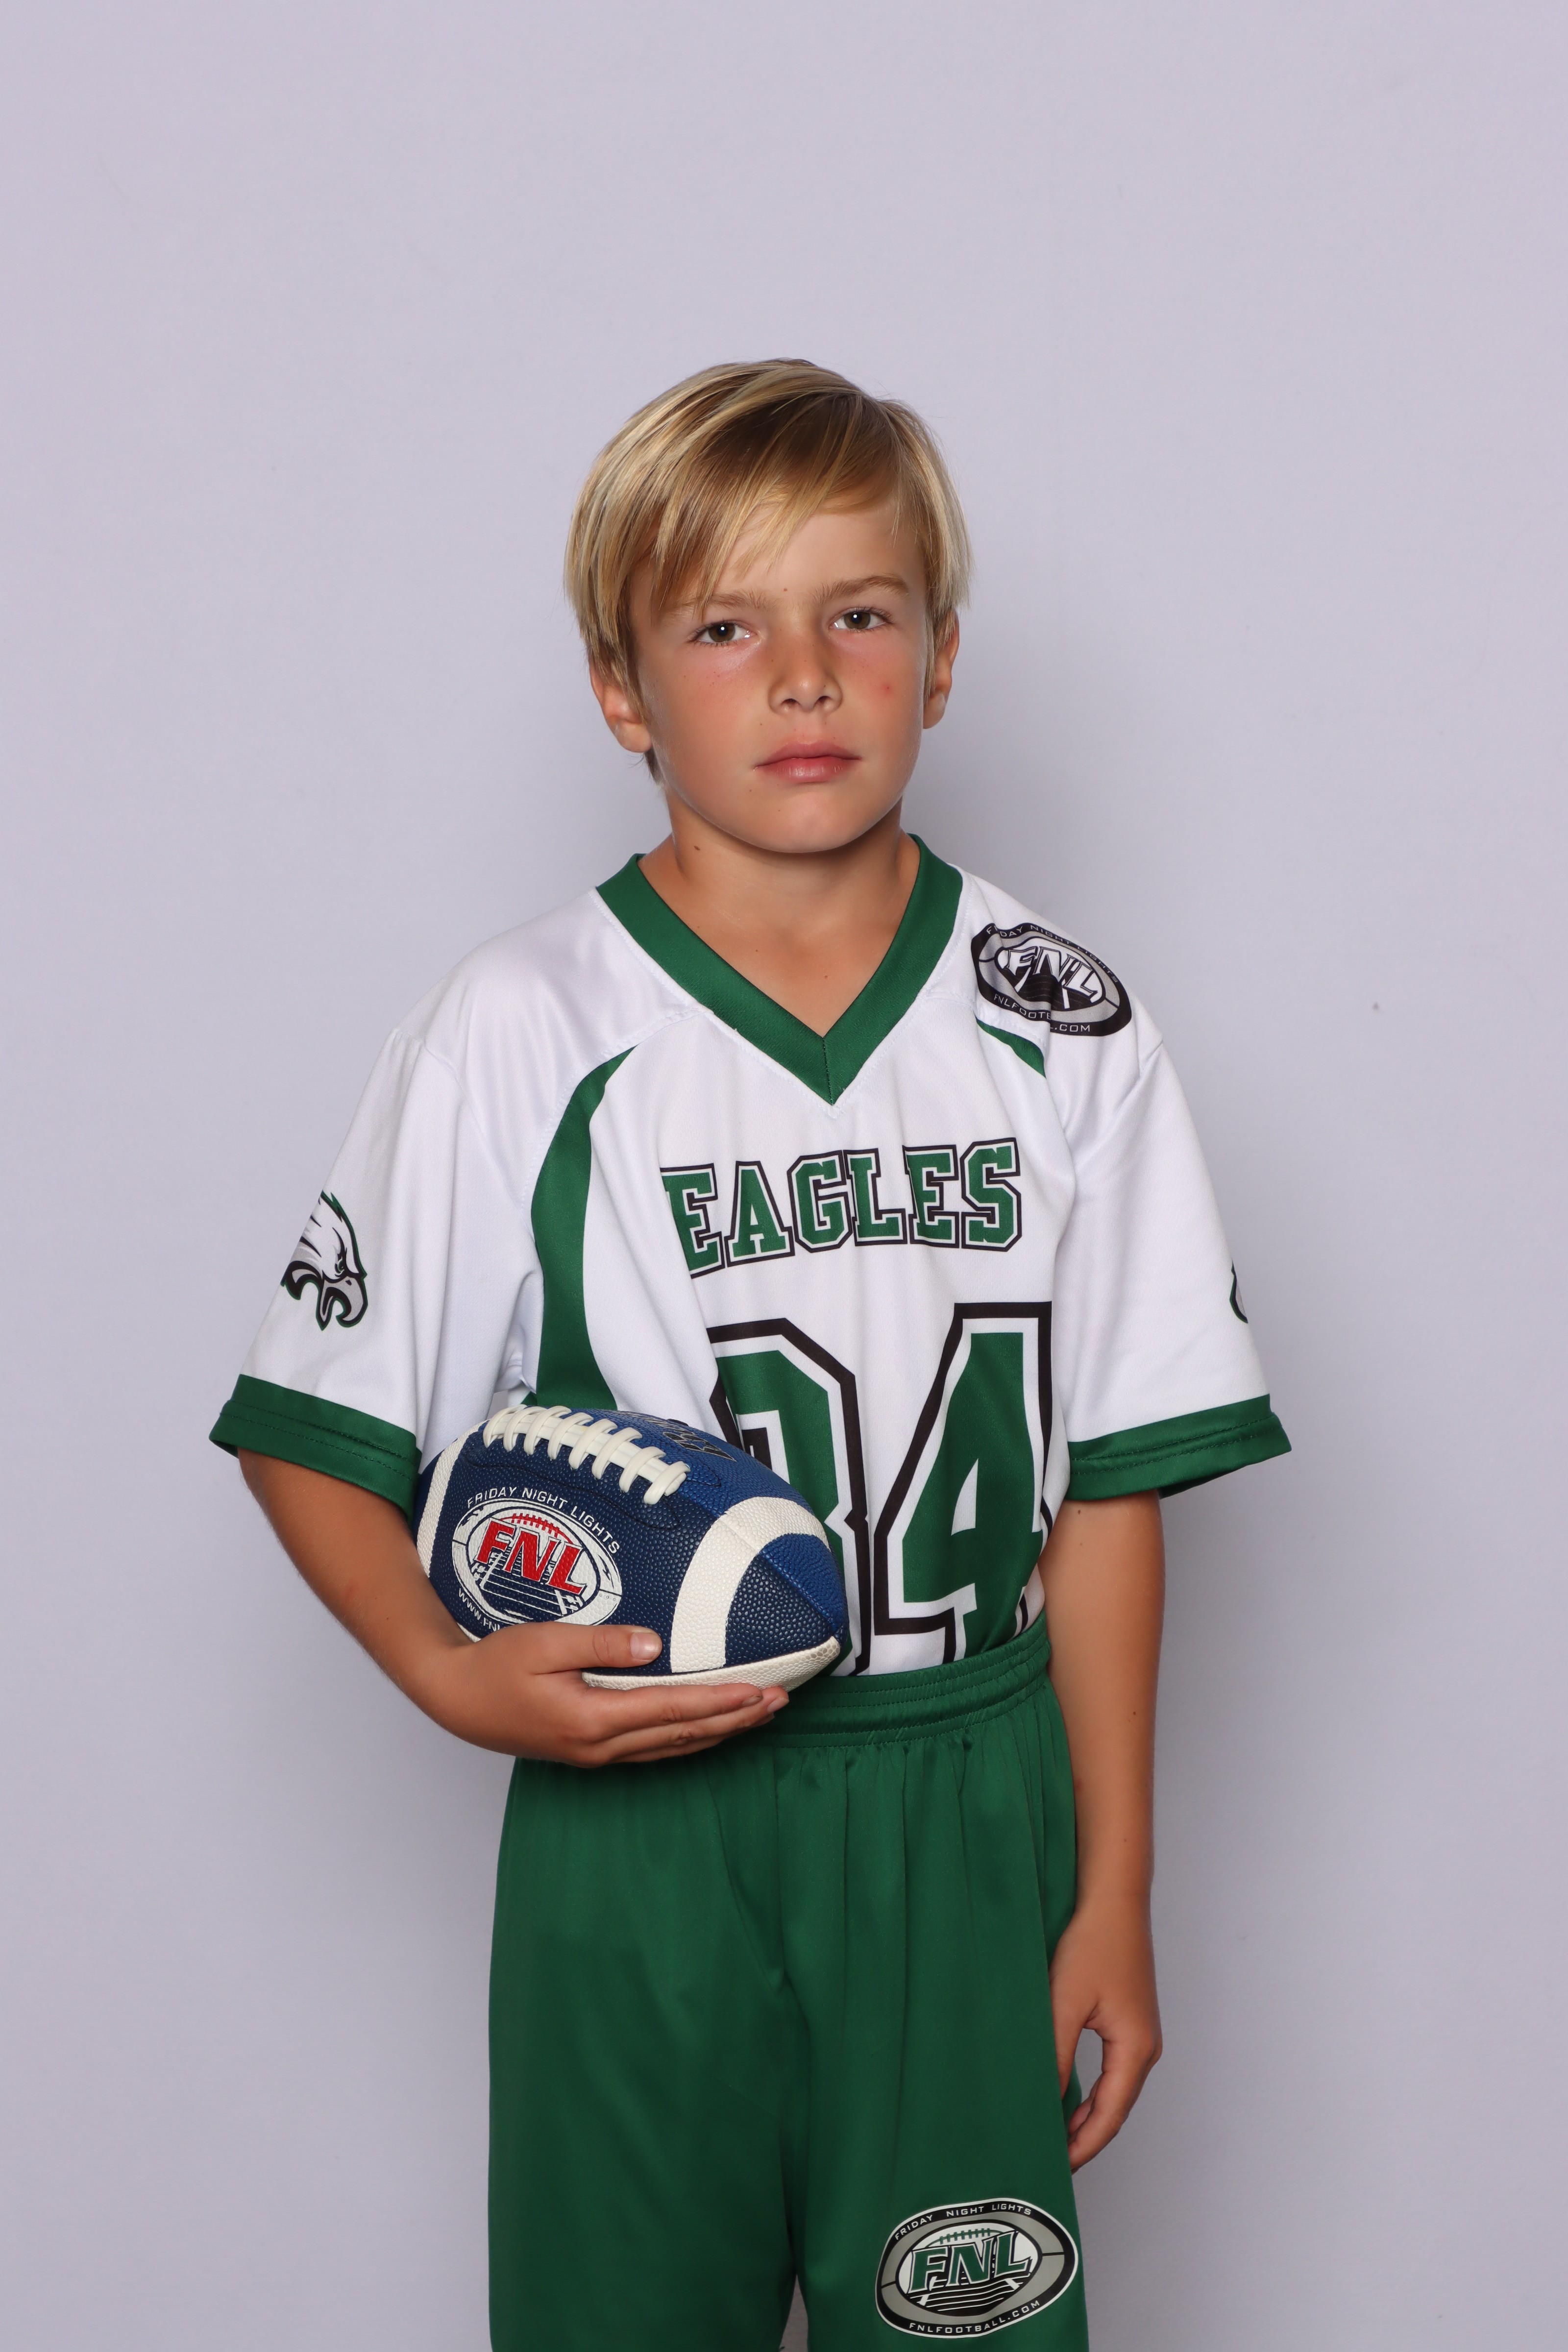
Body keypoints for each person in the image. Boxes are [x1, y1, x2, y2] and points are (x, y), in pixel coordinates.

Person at [212, 360, 1289, 2351]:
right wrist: (445, 1673)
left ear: (940, 658)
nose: (803, 676)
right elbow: (310, 1427)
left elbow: (1112, 1490)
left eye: (858, 615)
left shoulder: (1060, 1022)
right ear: (622, 692)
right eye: (724, 629)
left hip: (964, 1796)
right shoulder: (522, 1026)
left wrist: (1116, 1884)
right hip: (648, 1817)